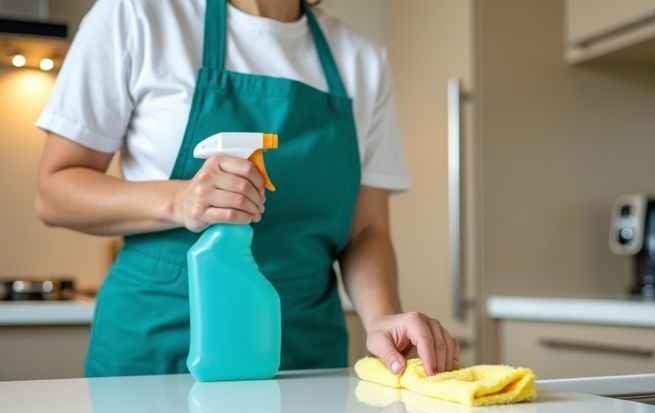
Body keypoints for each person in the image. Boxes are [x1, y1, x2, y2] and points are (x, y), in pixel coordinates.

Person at [35, 0, 458, 378]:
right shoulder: (138, 15)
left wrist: (382, 317)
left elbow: (366, 231)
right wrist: (179, 201)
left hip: (302, 358)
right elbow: (54, 191)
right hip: (156, 351)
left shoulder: (360, 59)